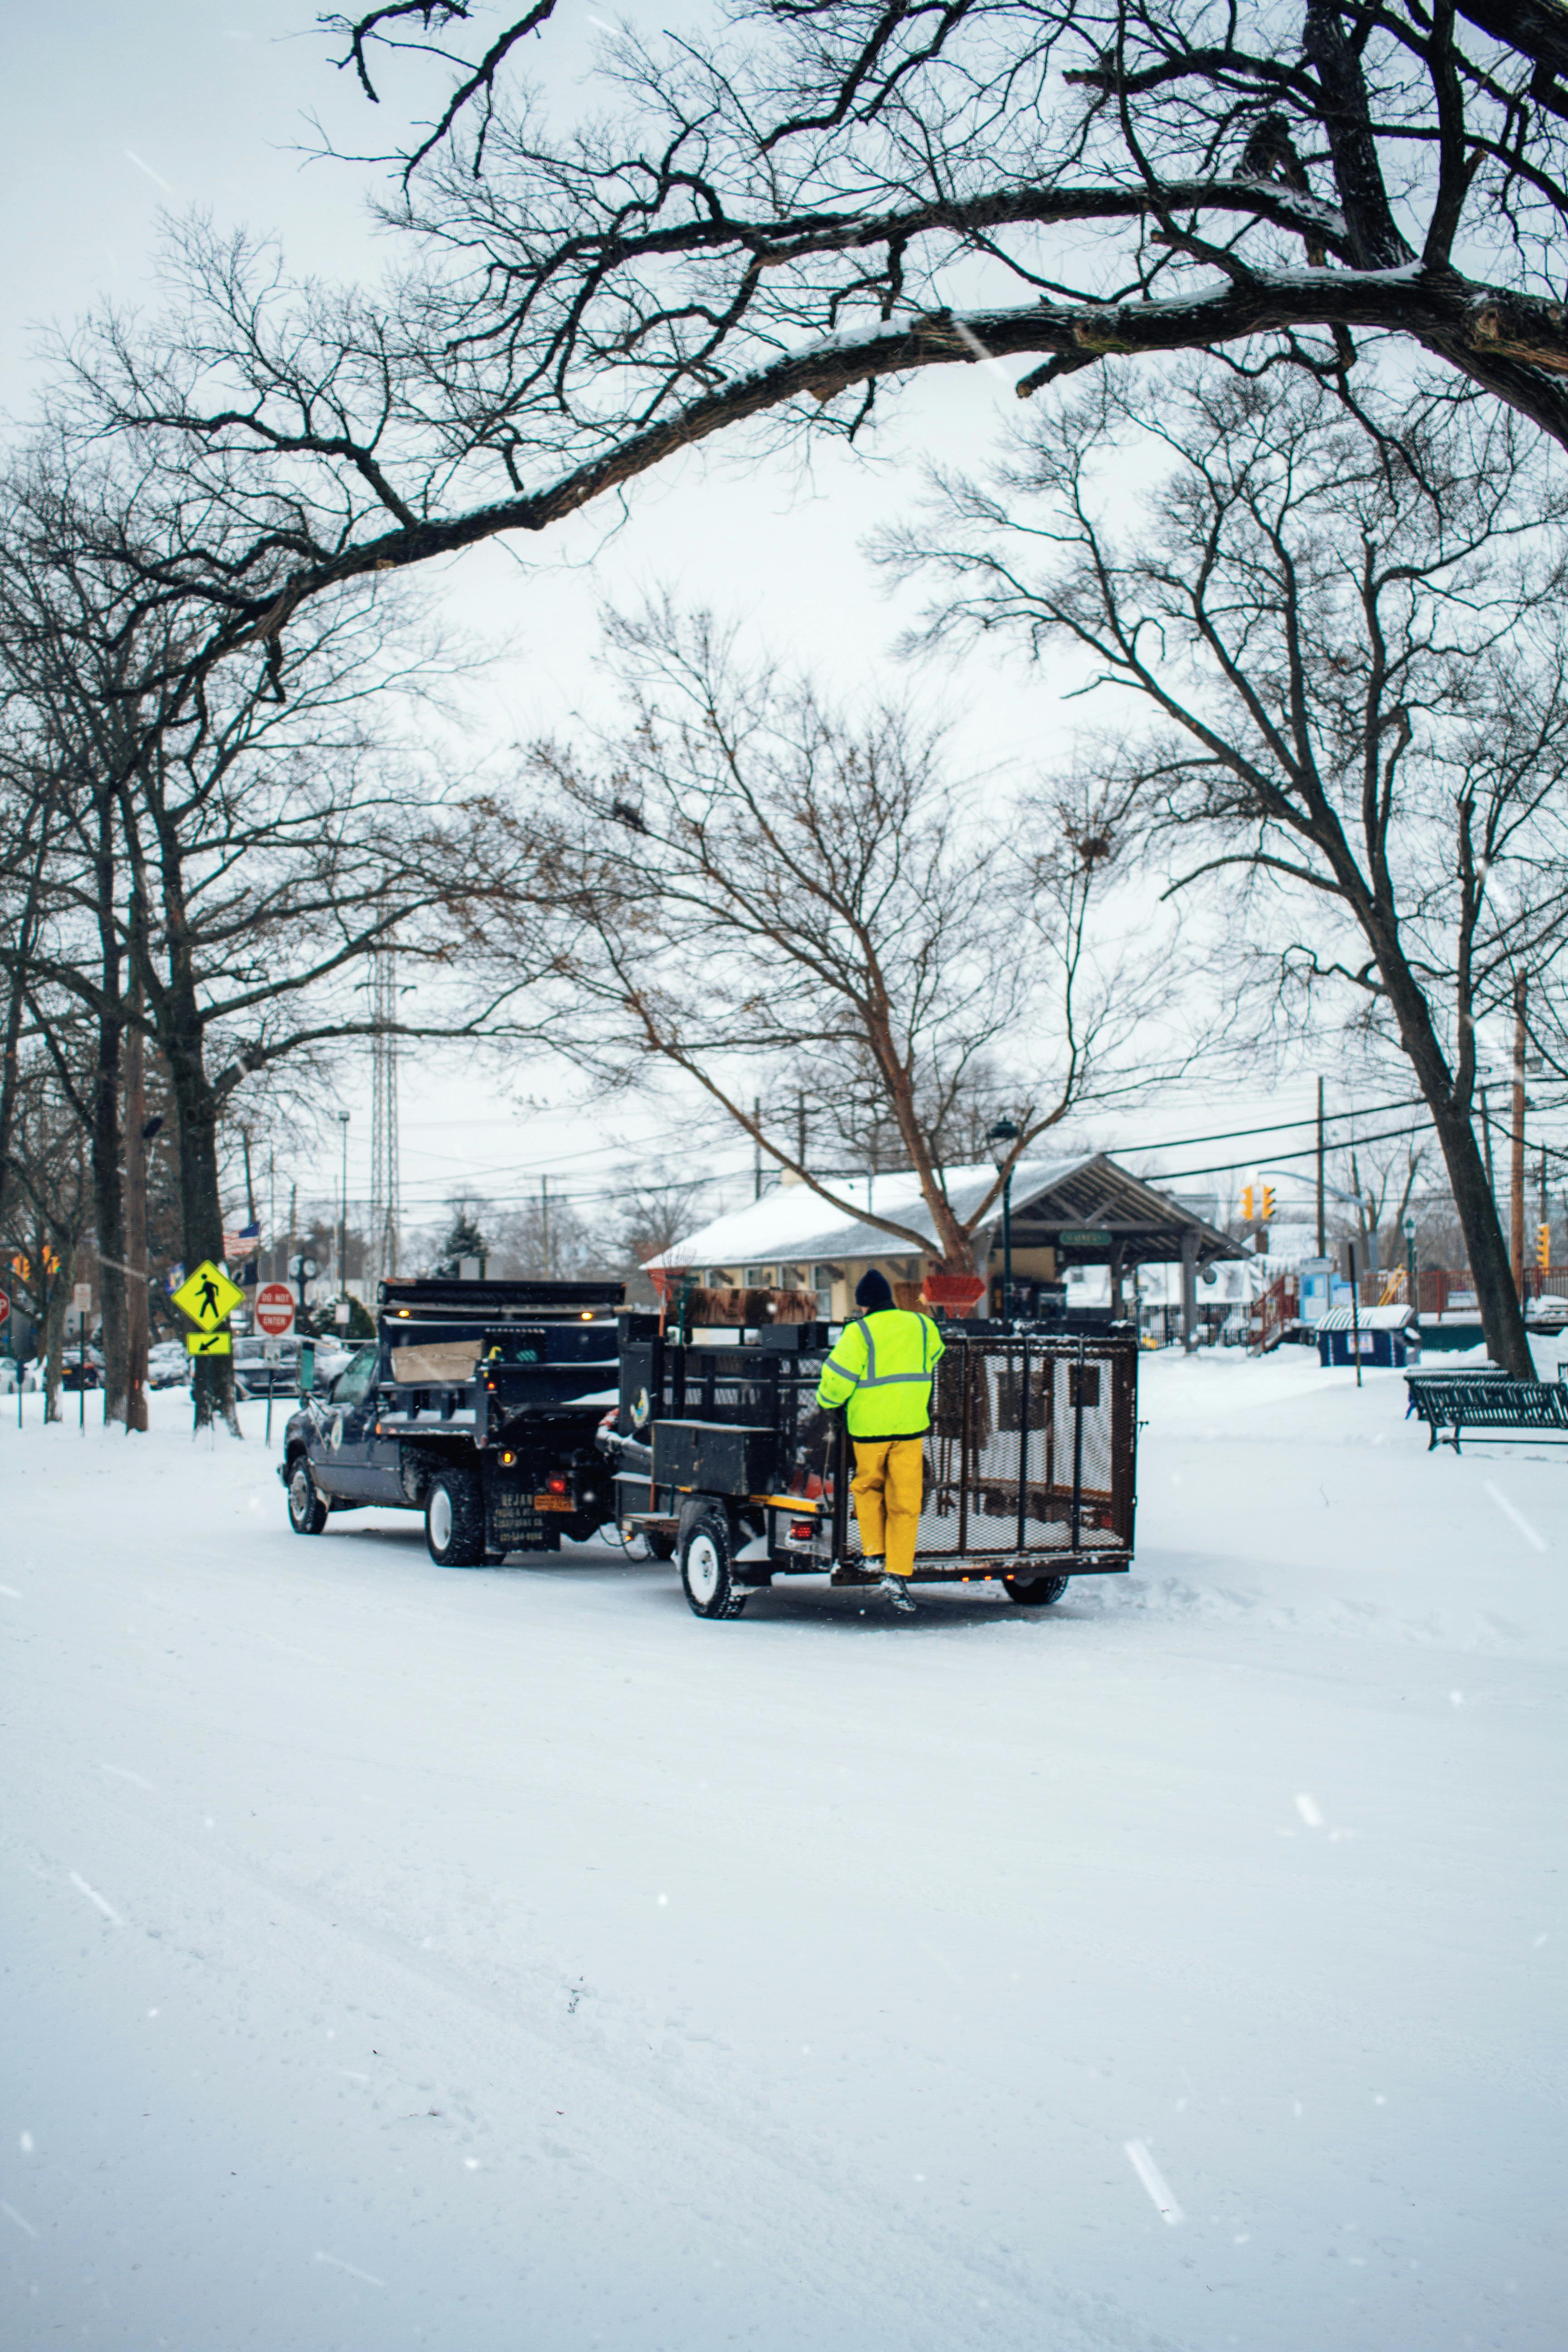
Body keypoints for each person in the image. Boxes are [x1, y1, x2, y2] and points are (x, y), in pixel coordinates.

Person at [815, 1269, 945, 1613]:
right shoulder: (921, 1325)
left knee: (868, 1488)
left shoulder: (859, 1332)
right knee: (906, 1500)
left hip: (870, 1429)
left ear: (863, 1306)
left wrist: (827, 1402)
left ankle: (874, 1553)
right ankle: (899, 1571)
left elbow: (837, 1378)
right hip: (910, 1426)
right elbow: (935, 1354)